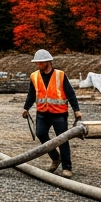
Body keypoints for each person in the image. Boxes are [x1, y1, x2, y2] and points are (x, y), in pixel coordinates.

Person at [21, 49, 83, 177]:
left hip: (59, 113)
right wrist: (26, 107)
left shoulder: (60, 75)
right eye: (36, 63)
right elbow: (32, 94)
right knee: (40, 134)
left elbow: (70, 93)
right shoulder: (34, 76)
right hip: (42, 112)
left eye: (39, 63)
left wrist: (76, 110)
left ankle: (67, 167)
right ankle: (55, 158)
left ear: (47, 62)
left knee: (62, 139)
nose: (37, 65)